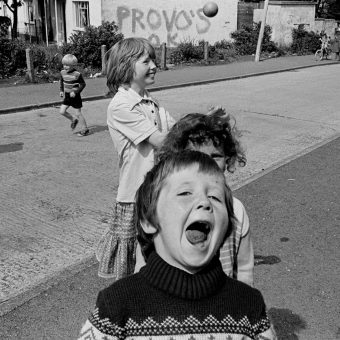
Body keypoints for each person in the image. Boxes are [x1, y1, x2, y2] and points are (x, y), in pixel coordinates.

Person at [79, 150, 277, 340]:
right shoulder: (116, 307)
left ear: (227, 228)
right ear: (149, 221)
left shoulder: (249, 306)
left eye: (215, 198)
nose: (204, 202)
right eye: (185, 193)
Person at [95, 37, 176, 280]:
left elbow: (174, 129)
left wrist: (203, 123)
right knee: (141, 262)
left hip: (159, 188)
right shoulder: (121, 105)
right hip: (136, 194)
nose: (154, 65)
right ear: (126, 66)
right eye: (146, 61)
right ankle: (136, 308)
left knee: (160, 255)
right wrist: (193, 129)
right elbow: (162, 140)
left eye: (153, 59)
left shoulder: (150, 100)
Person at [153, 112, 254, 286]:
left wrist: (246, 302)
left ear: (228, 159)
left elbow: (244, 268)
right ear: (177, 158)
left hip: (223, 306)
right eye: (195, 155)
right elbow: (144, 264)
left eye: (215, 156)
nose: (206, 163)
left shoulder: (237, 210)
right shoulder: (164, 208)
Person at [59, 54, 89, 137]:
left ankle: (85, 129)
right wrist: (61, 90)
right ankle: (73, 119)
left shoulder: (77, 74)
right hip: (67, 96)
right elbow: (62, 81)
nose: (65, 67)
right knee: (62, 111)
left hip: (75, 96)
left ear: (73, 65)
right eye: (64, 64)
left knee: (78, 113)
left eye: (67, 65)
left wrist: (75, 92)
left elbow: (83, 84)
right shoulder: (62, 72)